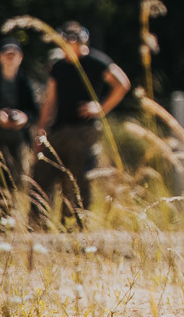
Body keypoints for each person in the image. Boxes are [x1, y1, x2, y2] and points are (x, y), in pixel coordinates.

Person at [31, 21, 130, 228]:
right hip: (59, 129)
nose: (67, 45)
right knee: (42, 173)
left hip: (85, 129)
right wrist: (41, 127)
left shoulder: (96, 61)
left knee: (79, 178)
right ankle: (38, 224)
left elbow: (122, 84)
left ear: (82, 42)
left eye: (72, 41)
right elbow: (50, 99)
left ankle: (76, 225)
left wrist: (101, 108)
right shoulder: (58, 66)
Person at [0, 40, 39, 217]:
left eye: (13, 54)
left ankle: (10, 217)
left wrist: (23, 118)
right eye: (6, 54)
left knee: (16, 178)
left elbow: (33, 111)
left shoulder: (24, 81)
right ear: (0, 57)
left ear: (20, 58)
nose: (10, 58)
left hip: (18, 137)